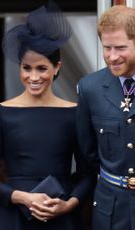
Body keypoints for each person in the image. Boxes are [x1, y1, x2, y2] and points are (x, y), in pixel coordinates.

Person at [0, 1, 95, 229]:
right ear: (20, 67)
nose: (33, 77)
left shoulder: (75, 113)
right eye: (26, 68)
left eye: (41, 68)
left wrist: (69, 204)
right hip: (13, 217)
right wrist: (23, 197)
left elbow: (88, 175)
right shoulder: (0, 113)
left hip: (61, 215)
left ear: (57, 67)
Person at [76, 5, 135, 230]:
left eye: (120, 48)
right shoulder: (89, 88)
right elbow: (87, 152)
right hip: (111, 209)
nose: (112, 57)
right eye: (106, 47)